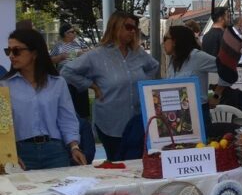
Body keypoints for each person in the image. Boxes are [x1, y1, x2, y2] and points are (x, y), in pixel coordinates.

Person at [62, 11, 158, 161]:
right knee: (118, 165)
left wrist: (143, 85)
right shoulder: (97, 55)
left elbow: (154, 66)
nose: (132, 31)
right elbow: (67, 71)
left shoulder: (138, 53)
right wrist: (91, 85)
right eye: (128, 27)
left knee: (138, 163)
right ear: (115, 26)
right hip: (111, 122)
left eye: (135, 28)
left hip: (138, 120)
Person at [2, 28, 85, 169]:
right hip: (20, 153)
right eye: (8, 51)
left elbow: (67, 118)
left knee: (60, 190)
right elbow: (2, 127)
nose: (11, 56)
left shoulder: (58, 83)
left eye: (16, 51)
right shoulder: (4, 86)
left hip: (55, 151)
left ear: (34, 53)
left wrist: (74, 147)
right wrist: (7, 154)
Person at [163, 26, 217, 135]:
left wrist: (217, 95)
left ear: (175, 41)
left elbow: (227, 69)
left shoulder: (197, 57)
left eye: (165, 39)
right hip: (178, 115)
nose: (163, 43)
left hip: (198, 114)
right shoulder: (173, 60)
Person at [49, 22, 91, 118]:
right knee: (69, 102)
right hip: (65, 78)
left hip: (79, 75)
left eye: (74, 31)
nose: (74, 33)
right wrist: (62, 56)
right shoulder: (58, 46)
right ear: (65, 34)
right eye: (71, 32)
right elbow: (50, 59)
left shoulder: (79, 42)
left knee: (82, 104)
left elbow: (88, 51)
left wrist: (73, 54)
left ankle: (83, 119)